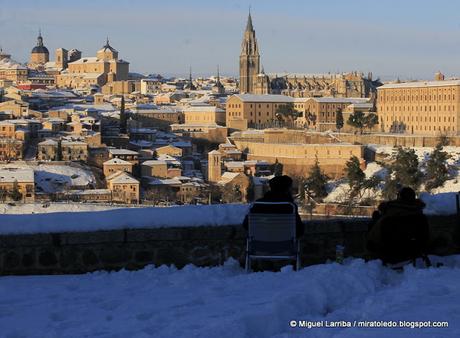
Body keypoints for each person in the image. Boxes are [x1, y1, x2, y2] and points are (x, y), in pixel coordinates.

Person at [367, 187, 431, 265]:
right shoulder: (420, 217)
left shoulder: (388, 218)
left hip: (390, 252)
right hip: (414, 250)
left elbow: (373, 237)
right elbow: (425, 237)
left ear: (399, 198)